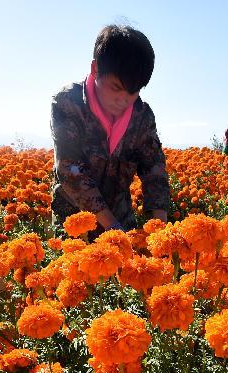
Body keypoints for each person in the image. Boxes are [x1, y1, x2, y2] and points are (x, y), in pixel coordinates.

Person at [50, 25, 171, 235]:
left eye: (133, 91)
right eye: (116, 87)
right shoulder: (69, 103)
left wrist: (160, 231)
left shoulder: (142, 115)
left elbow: (154, 168)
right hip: (75, 223)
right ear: (95, 69)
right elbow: (70, 170)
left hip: (122, 218)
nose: (124, 99)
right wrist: (112, 227)